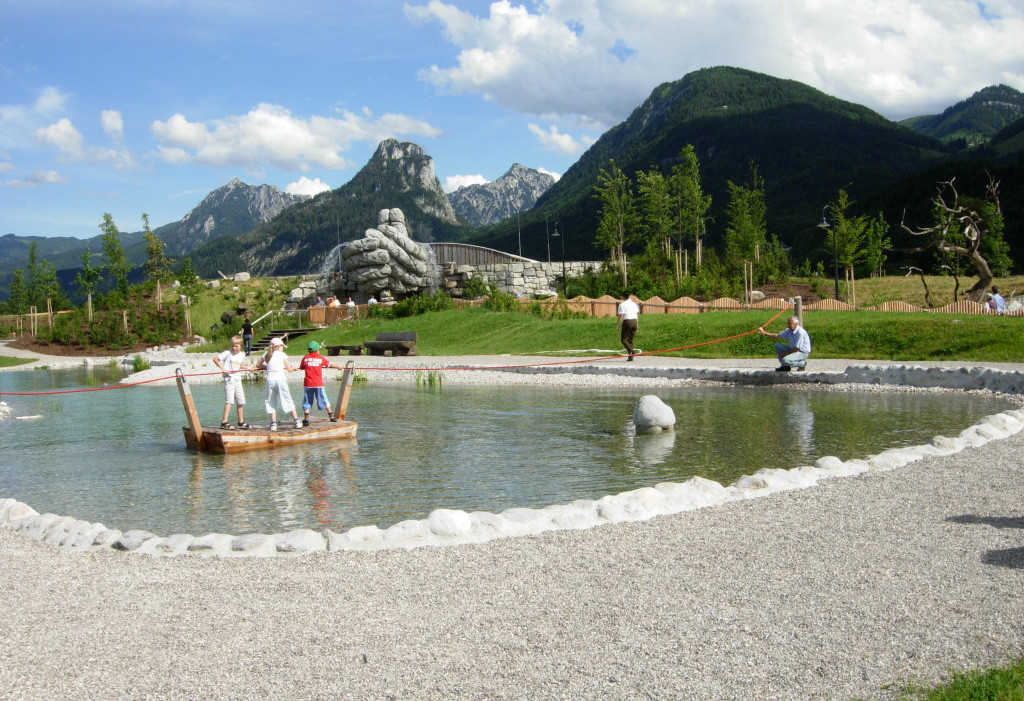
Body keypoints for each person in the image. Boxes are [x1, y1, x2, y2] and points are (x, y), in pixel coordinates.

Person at [256, 336, 300, 431]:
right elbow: (289, 369)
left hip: (270, 381)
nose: (283, 348)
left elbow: (258, 365)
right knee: (288, 399)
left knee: (271, 402)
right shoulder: (282, 354)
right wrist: (294, 368)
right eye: (282, 346)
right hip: (281, 380)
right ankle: (296, 421)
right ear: (279, 346)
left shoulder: (266, 353)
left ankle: (273, 424)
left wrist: (267, 368)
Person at [212, 335, 251, 429]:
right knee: (229, 401)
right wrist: (223, 368)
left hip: (237, 379)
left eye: (236, 346)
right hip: (229, 379)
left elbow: (237, 366)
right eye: (232, 346)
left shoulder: (241, 355)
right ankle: (224, 422)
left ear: (241, 346)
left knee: (241, 401)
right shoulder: (227, 353)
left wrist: (247, 367)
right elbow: (215, 359)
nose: (234, 348)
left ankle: (241, 422)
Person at [298, 341, 338, 425]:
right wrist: (339, 367)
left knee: (307, 400)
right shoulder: (320, 358)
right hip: (318, 384)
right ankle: (332, 417)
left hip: (308, 384)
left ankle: (306, 419)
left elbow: (301, 367)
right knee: (324, 399)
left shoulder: (305, 358)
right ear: (317, 350)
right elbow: (329, 364)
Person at [615, 293, 640, 361]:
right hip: (634, 321)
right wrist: (637, 325)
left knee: (624, 339)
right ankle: (630, 356)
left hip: (627, 322)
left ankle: (631, 351)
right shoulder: (634, 304)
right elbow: (636, 315)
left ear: (622, 297)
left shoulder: (622, 305)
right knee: (630, 340)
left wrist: (618, 324)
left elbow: (621, 315)